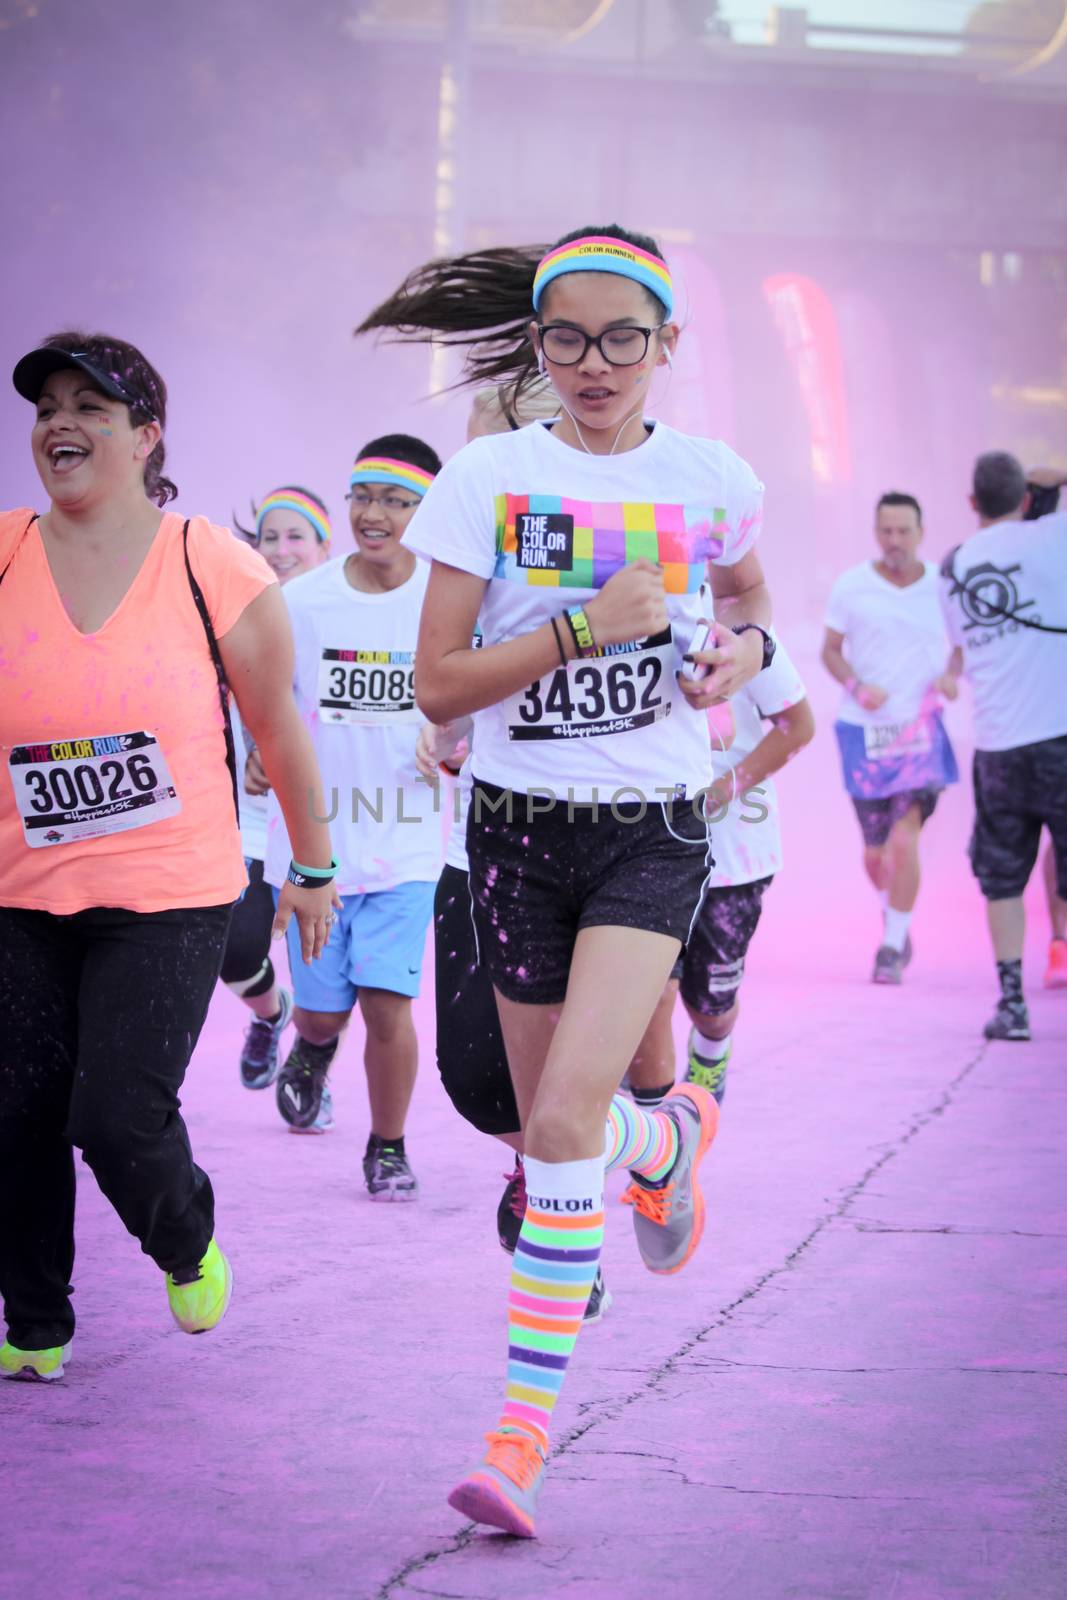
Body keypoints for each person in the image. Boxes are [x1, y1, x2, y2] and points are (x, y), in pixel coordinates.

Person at [359, 224, 773, 1535]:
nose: (593, 362)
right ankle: (672, 1136)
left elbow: (755, 610)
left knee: (552, 1136)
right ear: (537, 346)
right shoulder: (487, 475)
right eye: (566, 337)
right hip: (517, 840)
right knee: (561, 1120)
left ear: (664, 345)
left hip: (649, 833)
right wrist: (576, 629)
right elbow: (436, 684)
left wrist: (730, 657)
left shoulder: (713, 478)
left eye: (621, 338)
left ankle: (518, 1440)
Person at [0, 332, 335, 1382]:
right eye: (49, 405)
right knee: (15, 1110)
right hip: (21, 891)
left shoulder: (209, 560)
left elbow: (277, 727)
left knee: (112, 1113)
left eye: (92, 408)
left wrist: (312, 867)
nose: (61, 423)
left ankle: (183, 1236)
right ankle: (37, 1321)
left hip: (169, 892)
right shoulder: (4, 548)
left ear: (147, 436)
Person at [263, 435, 444, 1200]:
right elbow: (260, 698)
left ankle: (388, 1146)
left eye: (396, 502)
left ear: (427, 512)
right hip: (317, 850)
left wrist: (452, 734)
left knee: (387, 1007)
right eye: (363, 497)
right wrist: (251, 751)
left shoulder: (447, 597)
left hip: (407, 846)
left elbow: (480, 694)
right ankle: (307, 1050)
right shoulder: (301, 603)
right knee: (322, 1014)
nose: (375, 515)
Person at [626, 635, 814, 1110]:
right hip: (645, 849)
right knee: (649, 991)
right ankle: (655, 1105)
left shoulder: (748, 637)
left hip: (735, 859)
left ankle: (711, 1051)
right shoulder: (631, 628)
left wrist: (723, 790)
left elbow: (798, 726)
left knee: (708, 1006)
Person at [939, 450, 1067, 1040]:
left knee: (1002, 879)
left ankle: (1012, 1004)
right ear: (1024, 498)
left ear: (972, 504)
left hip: (996, 747)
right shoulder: (1052, 539)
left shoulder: (953, 567)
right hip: (1059, 734)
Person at [821, 491, 960, 984]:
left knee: (905, 839)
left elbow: (961, 647)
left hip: (920, 730)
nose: (894, 541)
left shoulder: (944, 588)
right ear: (876, 533)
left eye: (904, 531)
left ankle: (891, 945)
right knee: (876, 852)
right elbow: (831, 652)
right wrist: (858, 685)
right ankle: (892, 911)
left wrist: (950, 677)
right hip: (864, 732)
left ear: (921, 533)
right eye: (886, 531)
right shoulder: (852, 586)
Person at [219, 488, 333, 1090]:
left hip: (329, 820)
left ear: (324, 548)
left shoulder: (343, 613)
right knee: (235, 949)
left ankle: (315, 1065)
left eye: (297, 537)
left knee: (338, 980)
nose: (281, 549)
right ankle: (271, 1015)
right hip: (249, 815)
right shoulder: (231, 609)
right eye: (270, 537)